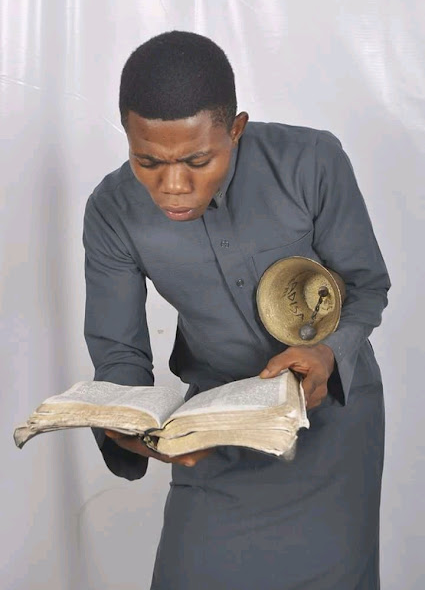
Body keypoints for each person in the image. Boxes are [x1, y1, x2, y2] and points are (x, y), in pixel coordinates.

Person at [83, 30, 390, 590]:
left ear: (236, 129)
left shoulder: (311, 161)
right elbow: (119, 352)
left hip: (331, 425)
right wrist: (130, 424)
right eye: (147, 161)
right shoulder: (111, 210)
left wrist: (328, 353)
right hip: (215, 436)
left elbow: (367, 286)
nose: (173, 186)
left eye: (197, 160)